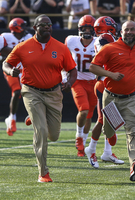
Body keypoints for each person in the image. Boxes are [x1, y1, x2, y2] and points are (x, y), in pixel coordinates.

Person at [2, 14, 77, 182]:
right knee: (41, 131)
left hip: (54, 93)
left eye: (49, 24)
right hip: (31, 91)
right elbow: (6, 63)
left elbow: (72, 70)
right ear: (35, 28)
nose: (47, 27)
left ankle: (35, 116)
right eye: (43, 25)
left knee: (54, 135)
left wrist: (69, 83)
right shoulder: (23, 46)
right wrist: (9, 71)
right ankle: (43, 172)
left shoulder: (61, 47)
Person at [89, 20, 135, 181]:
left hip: (131, 98)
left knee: (132, 130)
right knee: (109, 131)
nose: (129, 32)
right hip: (111, 97)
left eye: (132, 29)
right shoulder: (109, 48)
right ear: (121, 33)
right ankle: (109, 138)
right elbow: (93, 67)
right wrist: (111, 75)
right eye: (126, 29)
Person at [84, 16, 124, 168]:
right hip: (104, 84)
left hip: (110, 83)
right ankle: (91, 149)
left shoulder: (108, 38)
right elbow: (107, 59)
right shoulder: (104, 39)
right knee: (103, 120)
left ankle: (107, 152)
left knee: (111, 120)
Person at [64, 15, 98, 157]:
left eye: (89, 28)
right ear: (79, 29)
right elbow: (63, 58)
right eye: (84, 28)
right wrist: (63, 75)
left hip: (94, 82)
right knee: (83, 110)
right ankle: (78, 136)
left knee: (89, 115)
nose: (87, 31)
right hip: (77, 80)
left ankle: (82, 144)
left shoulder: (98, 42)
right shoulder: (71, 41)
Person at [2, 18, 33, 136]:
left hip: (24, 69)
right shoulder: (5, 37)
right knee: (16, 91)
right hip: (10, 68)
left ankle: (15, 117)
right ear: (16, 27)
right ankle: (12, 118)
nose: (25, 29)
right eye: (22, 26)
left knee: (29, 92)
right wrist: (16, 52)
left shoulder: (29, 37)